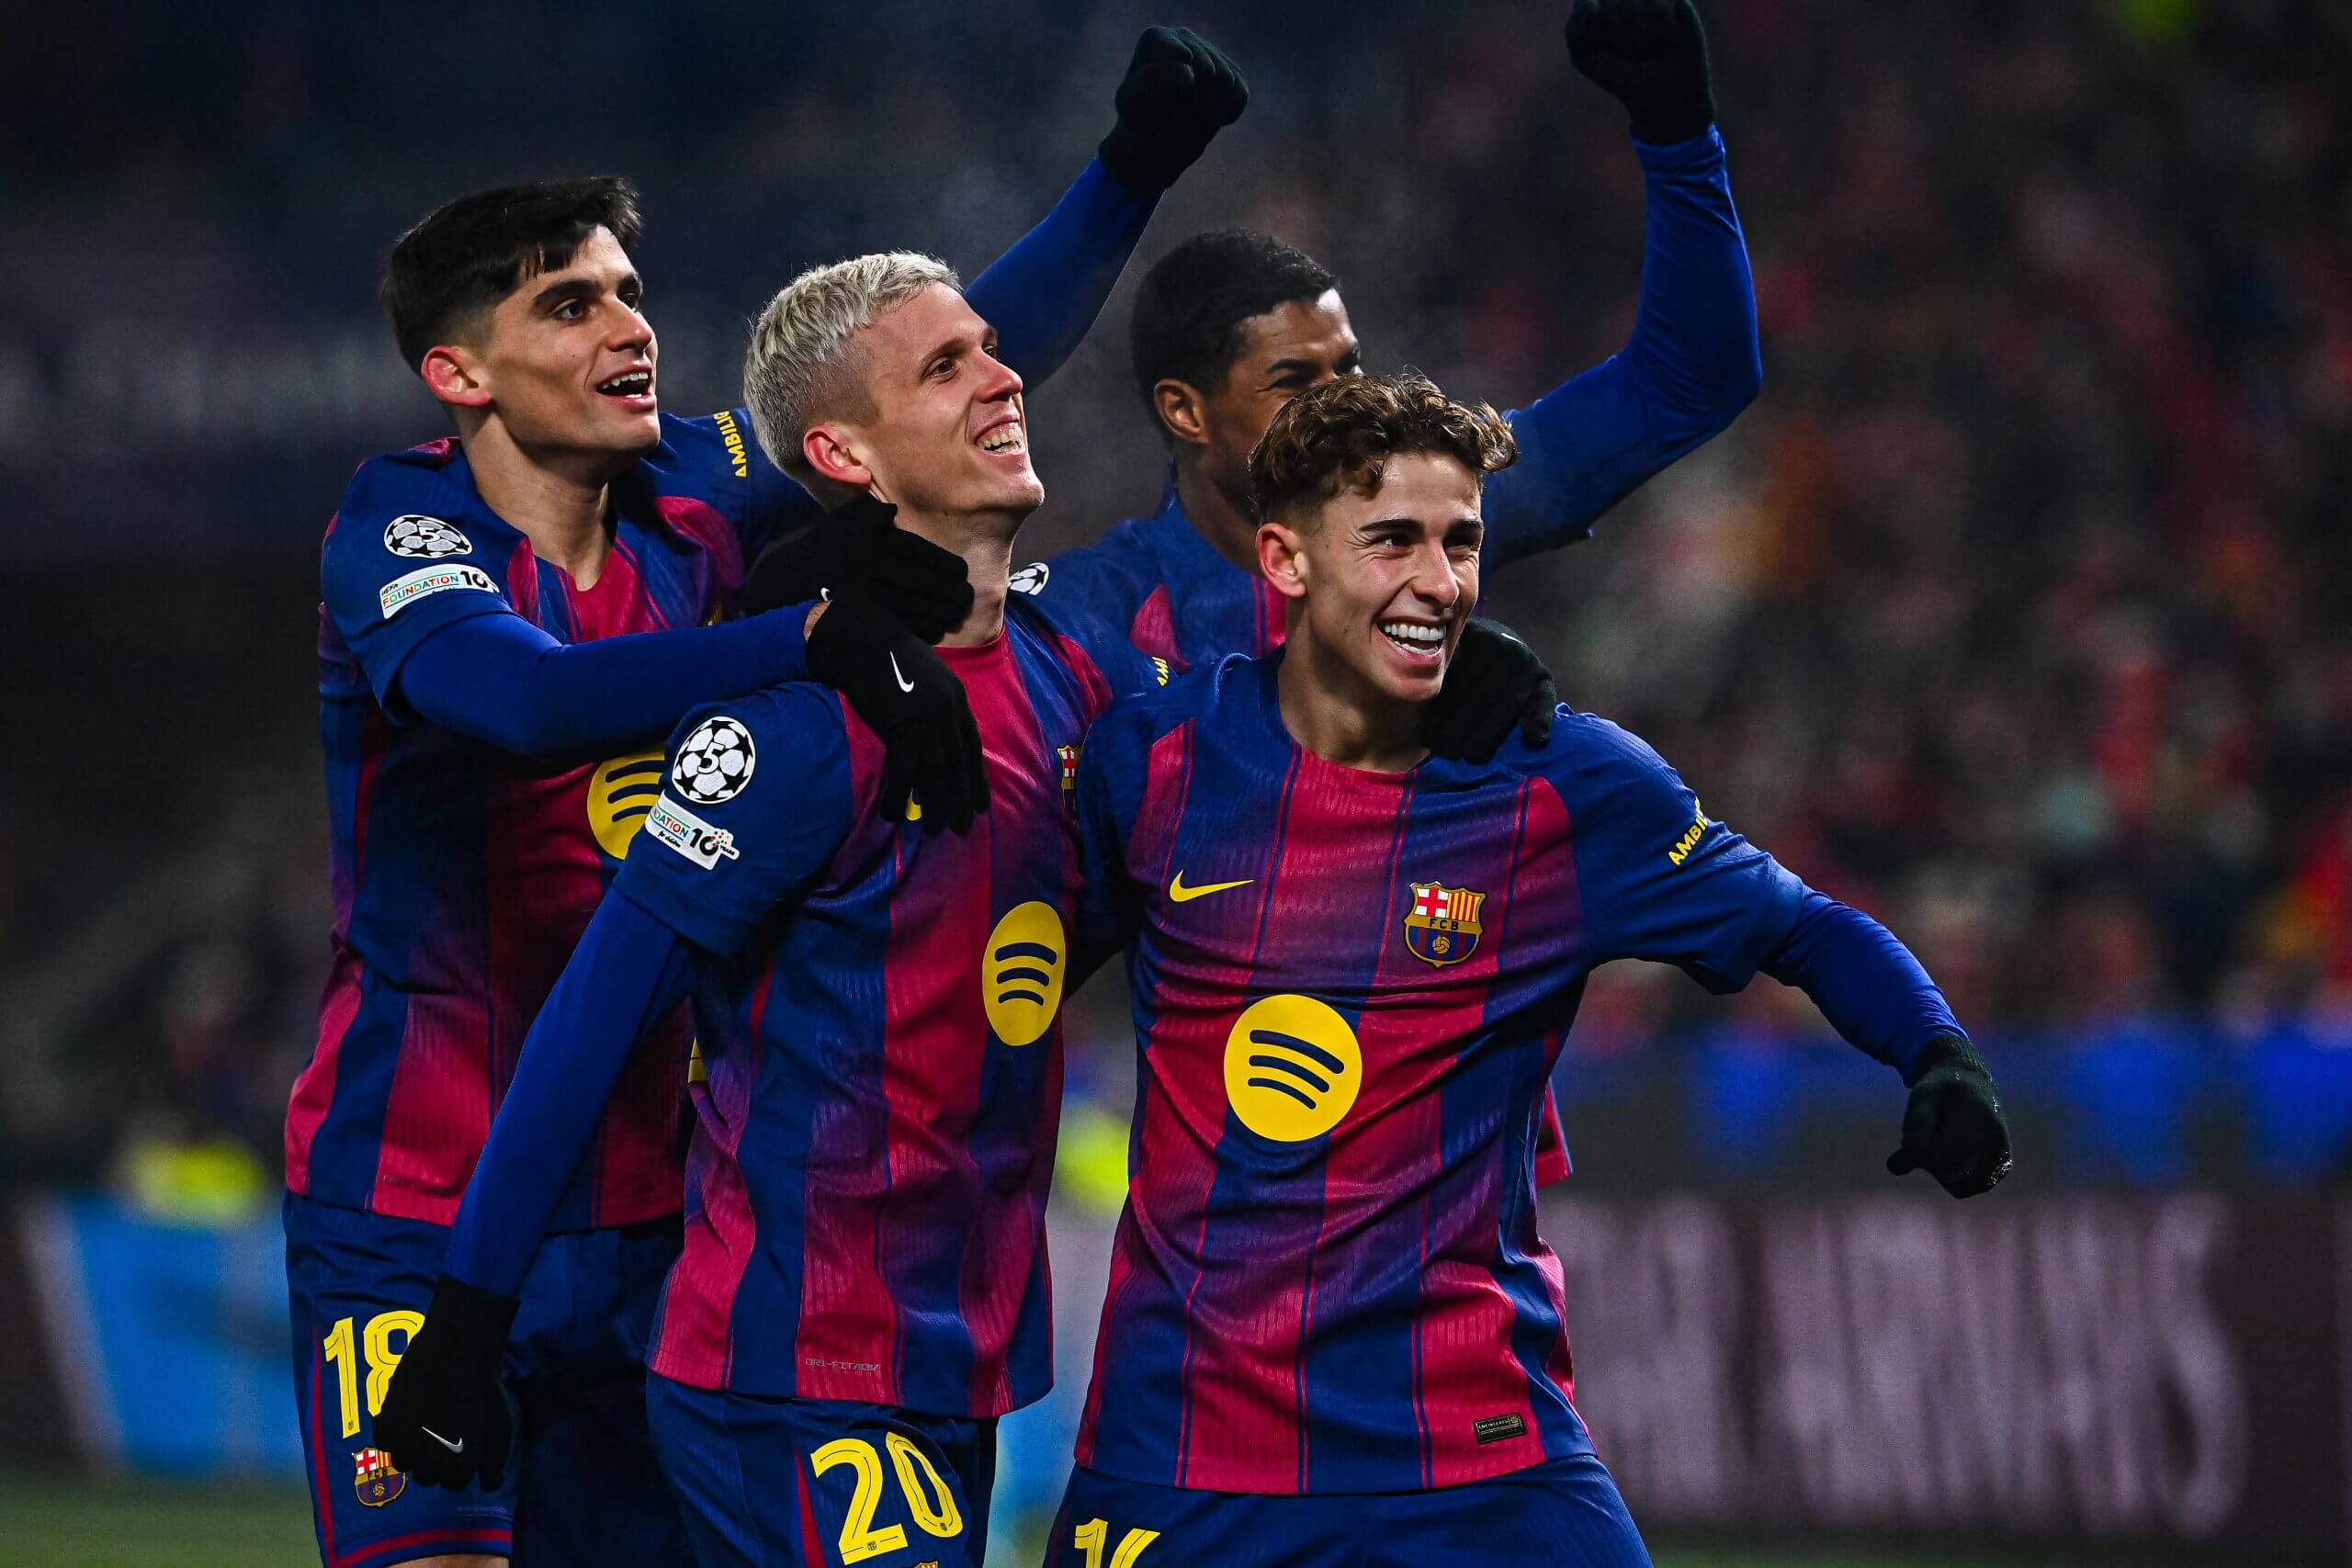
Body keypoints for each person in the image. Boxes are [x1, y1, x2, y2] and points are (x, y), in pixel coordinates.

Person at [288, 33, 1248, 1568]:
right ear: (458, 372)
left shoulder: (692, 491)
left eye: (625, 292)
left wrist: (1133, 161)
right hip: (417, 1196)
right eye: (568, 303)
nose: (627, 326)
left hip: (666, 1216)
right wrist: (814, 632)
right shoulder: (400, 531)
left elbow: (928, 374)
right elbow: (528, 700)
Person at [1050, 374, 2012, 1566]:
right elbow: (1019, 939)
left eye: (1461, 544)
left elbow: (1804, 928)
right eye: (1393, 540)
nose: (1439, 580)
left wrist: (1936, 1051)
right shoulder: (1156, 756)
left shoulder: (1567, 785)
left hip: (1475, 1451)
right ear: (1286, 562)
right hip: (1185, 1452)